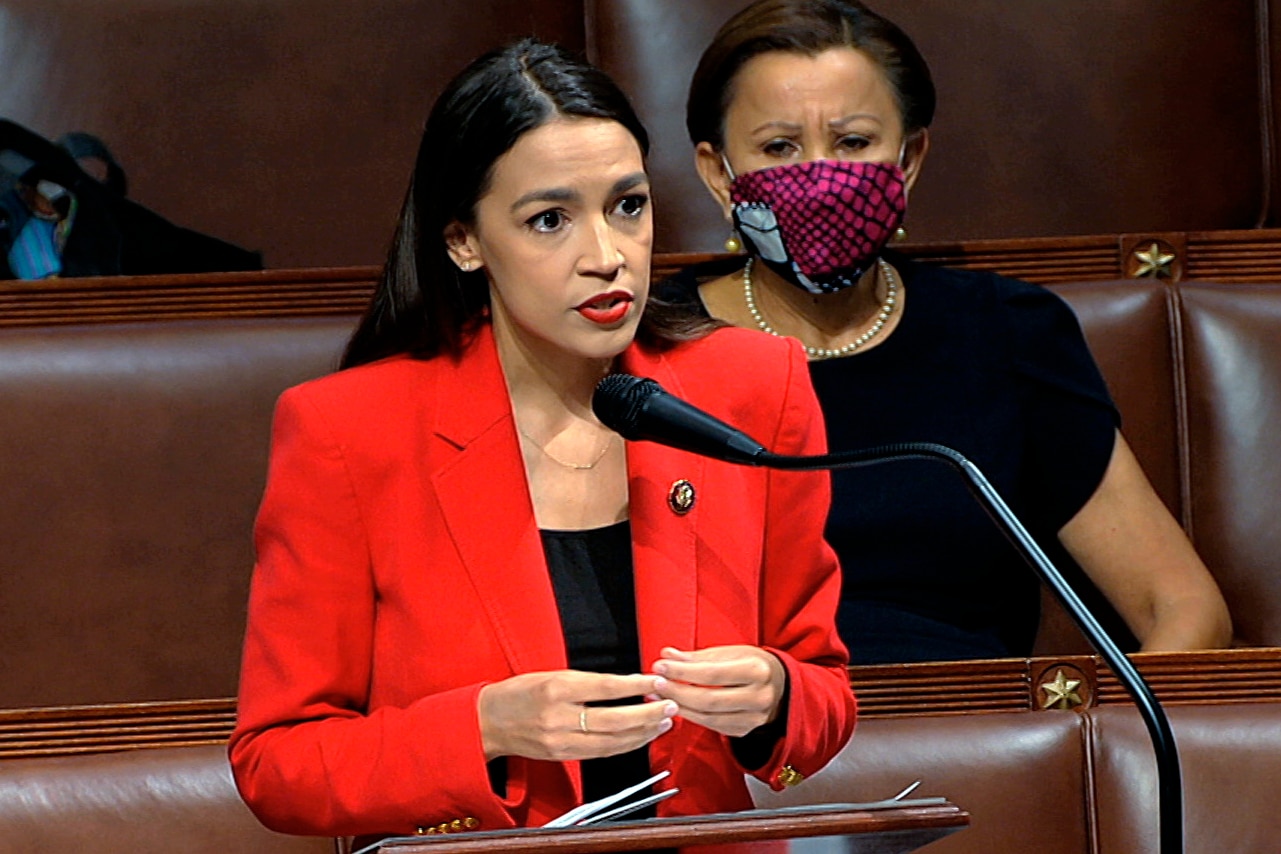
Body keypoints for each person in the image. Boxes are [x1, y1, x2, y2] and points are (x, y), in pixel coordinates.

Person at [228, 38, 854, 846]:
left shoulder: (749, 386)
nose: (606, 257)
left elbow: (824, 691)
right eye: (549, 220)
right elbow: (277, 764)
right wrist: (485, 726)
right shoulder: (349, 432)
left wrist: (774, 697)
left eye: (627, 205)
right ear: (463, 240)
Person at [660, 0, 1233, 665]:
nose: (818, 180)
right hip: (740, 747)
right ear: (716, 172)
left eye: (851, 143)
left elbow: (1183, 610)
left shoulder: (1005, 335)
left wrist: (1097, 752)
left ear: (908, 159)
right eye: (778, 148)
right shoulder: (651, 352)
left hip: (975, 740)